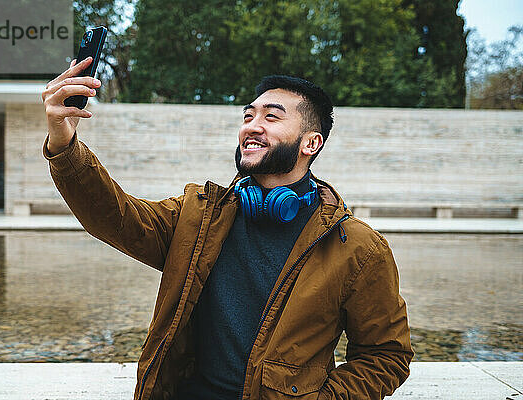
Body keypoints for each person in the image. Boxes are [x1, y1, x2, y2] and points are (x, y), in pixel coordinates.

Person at [41, 56, 414, 400]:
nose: (252, 126)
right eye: (248, 116)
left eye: (272, 117)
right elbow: (115, 218)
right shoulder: (199, 216)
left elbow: (386, 355)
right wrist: (64, 141)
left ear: (310, 143)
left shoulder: (359, 248)